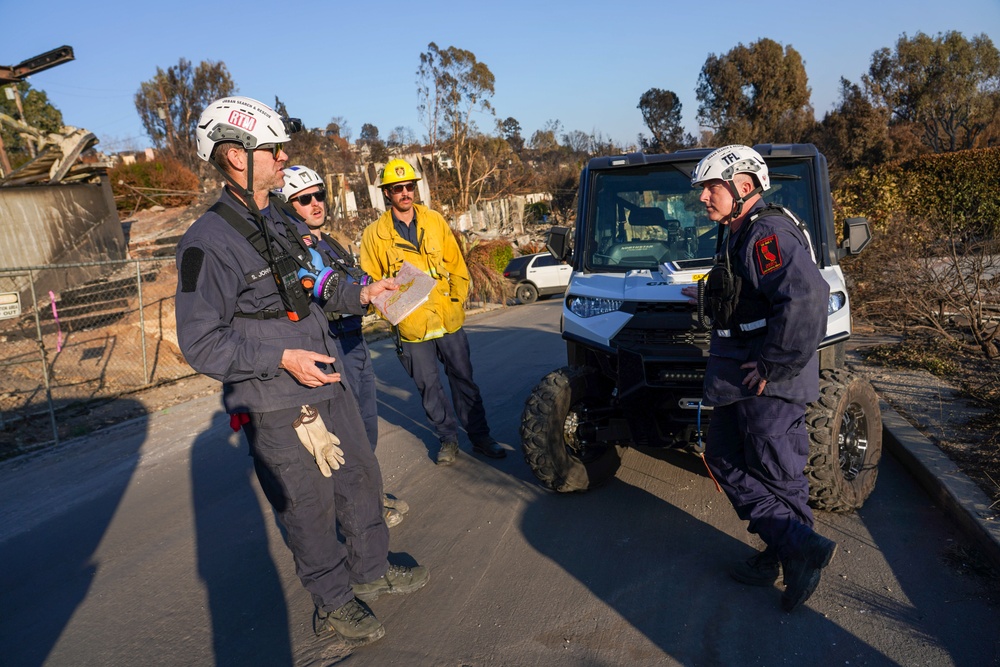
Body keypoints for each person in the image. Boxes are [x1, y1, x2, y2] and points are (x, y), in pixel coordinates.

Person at [174, 96, 428, 646]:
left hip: (328, 374)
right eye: (273, 148)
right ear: (237, 157)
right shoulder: (207, 242)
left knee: (360, 476)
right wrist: (280, 357)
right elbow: (199, 342)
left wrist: (364, 293)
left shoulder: (278, 220)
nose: (285, 155)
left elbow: (312, 286)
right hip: (277, 399)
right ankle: (334, 600)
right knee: (307, 504)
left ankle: (372, 569)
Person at [680, 144, 836, 612]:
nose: (703, 197)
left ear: (743, 186)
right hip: (738, 376)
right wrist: (707, 299)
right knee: (723, 459)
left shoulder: (767, 233)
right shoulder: (736, 232)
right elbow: (747, 294)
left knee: (778, 471)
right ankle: (791, 546)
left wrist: (774, 365)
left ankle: (795, 557)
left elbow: (807, 297)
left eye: (711, 187)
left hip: (766, 379)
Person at [275, 165, 408, 528]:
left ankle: (370, 493)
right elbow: (323, 284)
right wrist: (364, 292)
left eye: (319, 195)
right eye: (304, 199)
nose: (316, 203)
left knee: (366, 426)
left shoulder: (327, 240)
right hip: (331, 344)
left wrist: (381, 286)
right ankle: (360, 508)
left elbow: (353, 275)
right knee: (349, 433)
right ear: (288, 205)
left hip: (354, 339)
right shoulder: (298, 247)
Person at [359, 158, 505, 465]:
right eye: (397, 188)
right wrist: (393, 316)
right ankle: (448, 439)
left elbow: (456, 265)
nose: (404, 193)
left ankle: (480, 437)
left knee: (464, 380)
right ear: (387, 193)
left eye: (409, 186)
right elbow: (371, 281)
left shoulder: (435, 221)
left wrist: (456, 299)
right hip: (411, 327)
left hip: (447, 319)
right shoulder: (374, 235)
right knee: (429, 387)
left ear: (415, 188)